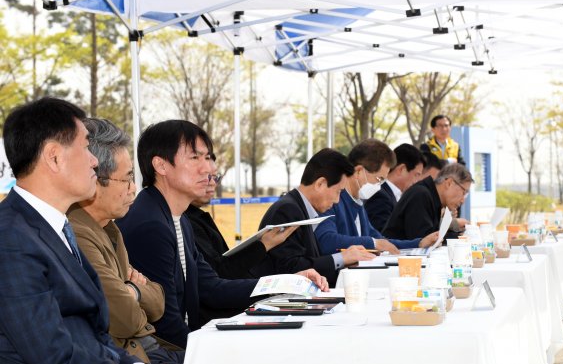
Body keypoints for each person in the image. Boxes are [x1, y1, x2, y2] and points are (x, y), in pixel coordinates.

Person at [116, 120, 328, 349]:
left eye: (207, 158)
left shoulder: (179, 218)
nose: (208, 169)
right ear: (161, 165)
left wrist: (287, 282)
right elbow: (165, 323)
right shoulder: (151, 225)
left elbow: (212, 288)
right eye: (195, 157)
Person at [0, 98, 142, 364]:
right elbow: (53, 356)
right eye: (87, 148)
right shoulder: (10, 240)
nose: (93, 162)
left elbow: (94, 337)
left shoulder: (55, 228)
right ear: (54, 157)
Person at [68, 118, 185, 364]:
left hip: (152, 348)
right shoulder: (77, 233)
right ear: (95, 180)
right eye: (128, 178)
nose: (133, 189)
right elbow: (124, 318)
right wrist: (134, 290)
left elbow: (159, 301)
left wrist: (131, 291)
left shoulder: (109, 229)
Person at [250, 148, 376, 287]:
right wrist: (342, 258)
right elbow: (291, 267)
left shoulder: (299, 207)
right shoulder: (288, 210)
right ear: (320, 184)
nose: (337, 200)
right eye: (338, 191)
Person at [315, 139, 438, 255]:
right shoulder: (332, 198)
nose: (379, 186)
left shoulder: (358, 202)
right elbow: (327, 240)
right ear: (359, 171)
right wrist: (373, 243)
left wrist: (418, 243)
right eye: (379, 179)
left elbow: (381, 242)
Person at [184, 157, 296, 280]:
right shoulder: (184, 221)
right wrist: (264, 244)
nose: (211, 183)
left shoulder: (195, 216)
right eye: (206, 176)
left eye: (216, 177)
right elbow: (218, 276)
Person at [382, 163, 473, 240]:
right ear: (449, 183)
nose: (463, 200)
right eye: (463, 192)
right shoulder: (421, 195)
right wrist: (460, 237)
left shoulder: (433, 198)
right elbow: (425, 239)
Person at [365, 144, 425, 231]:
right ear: (402, 169)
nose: (418, 181)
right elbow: (382, 235)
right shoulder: (380, 196)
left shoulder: (393, 195)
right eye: (416, 175)